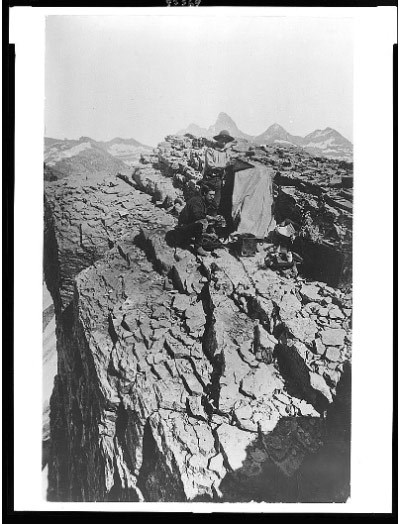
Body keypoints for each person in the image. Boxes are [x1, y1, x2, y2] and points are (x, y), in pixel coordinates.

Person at [176, 185, 219, 256]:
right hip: (183, 227)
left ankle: (200, 238)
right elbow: (197, 215)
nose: (212, 197)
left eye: (214, 195)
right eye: (210, 195)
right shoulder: (196, 201)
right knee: (201, 223)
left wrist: (214, 219)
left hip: (190, 225)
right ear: (204, 193)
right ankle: (198, 247)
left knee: (211, 237)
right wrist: (210, 218)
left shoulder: (205, 201)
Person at [202, 130, 235, 211]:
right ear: (218, 139)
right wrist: (225, 165)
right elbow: (211, 165)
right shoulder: (210, 150)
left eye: (226, 141)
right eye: (222, 140)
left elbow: (229, 165)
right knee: (205, 201)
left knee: (216, 204)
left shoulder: (226, 153)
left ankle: (211, 221)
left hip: (219, 180)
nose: (224, 142)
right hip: (209, 179)